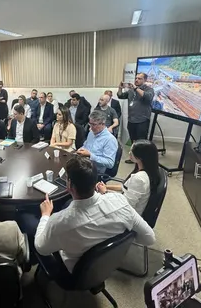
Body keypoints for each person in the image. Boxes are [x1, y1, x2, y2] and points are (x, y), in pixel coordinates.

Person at [17, 156, 155, 273]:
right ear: (95, 181)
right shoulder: (121, 202)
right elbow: (149, 238)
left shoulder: (60, 222)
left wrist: (46, 215)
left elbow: (41, 248)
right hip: (106, 266)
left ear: (69, 185)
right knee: (66, 205)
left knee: (26, 217)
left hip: (73, 273)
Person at [95, 140, 160, 215]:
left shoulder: (139, 179)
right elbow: (125, 187)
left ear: (140, 157)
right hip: (124, 206)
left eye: (132, 152)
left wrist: (105, 192)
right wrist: (106, 187)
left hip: (126, 215)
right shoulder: (149, 171)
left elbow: (126, 206)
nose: (129, 153)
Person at [117, 72, 155, 164]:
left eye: (139, 78)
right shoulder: (131, 91)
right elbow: (120, 96)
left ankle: (142, 160)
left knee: (141, 141)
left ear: (145, 80)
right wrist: (120, 88)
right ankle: (134, 158)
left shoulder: (149, 89)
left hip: (142, 120)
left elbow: (148, 97)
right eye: (136, 78)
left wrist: (136, 88)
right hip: (131, 119)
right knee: (133, 140)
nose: (136, 80)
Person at [76, 110, 119, 177]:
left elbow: (110, 163)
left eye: (94, 124)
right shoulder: (91, 133)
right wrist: (80, 150)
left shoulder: (110, 140)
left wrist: (90, 155)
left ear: (103, 124)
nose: (91, 127)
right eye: (90, 124)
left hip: (95, 171)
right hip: (85, 165)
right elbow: (85, 146)